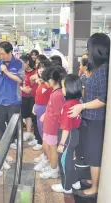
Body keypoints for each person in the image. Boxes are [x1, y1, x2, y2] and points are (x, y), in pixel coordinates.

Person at [68, 33, 110, 198]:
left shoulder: (104, 70)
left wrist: (82, 106)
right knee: (90, 151)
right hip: (90, 117)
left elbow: (103, 99)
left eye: (89, 47)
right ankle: (94, 181)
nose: (87, 50)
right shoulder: (97, 68)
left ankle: (94, 189)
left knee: (94, 154)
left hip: (96, 119)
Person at [0, 41, 24, 175]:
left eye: (3, 54)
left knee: (12, 128)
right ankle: (2, 156)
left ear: (10, 52)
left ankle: (9, 149)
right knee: (0, 127)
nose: (0, 56)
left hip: (14, 101)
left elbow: (20, 80)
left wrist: (6, 71)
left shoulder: (19, 63)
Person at [51, 74, 82, 194]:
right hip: (74, 134)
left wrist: (61, 144)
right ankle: (75, 182)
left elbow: (66, 127)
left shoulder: (68, 105)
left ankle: (66, 187)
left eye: (63, 86)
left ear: (70, 88)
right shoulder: (75, 102)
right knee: (69, 160)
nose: (61, 89)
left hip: (67, 136)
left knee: (64, 162)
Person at [38, 65, 67, 179]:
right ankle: (52, 165)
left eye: (46, 80)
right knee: (47, 146)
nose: (45, 82)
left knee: (52, 148)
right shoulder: (55, 92)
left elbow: (58, 114)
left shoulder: (57, 94)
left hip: (53, 128)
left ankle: (54, 169)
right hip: (49, 126)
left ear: (52, 80)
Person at [32, 59, 53, 170]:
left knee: (47, 138)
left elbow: (52, 101)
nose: (40, 69)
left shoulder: (50, 83)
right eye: (39, 67)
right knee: (42, 135)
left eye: (43, 67)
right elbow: (38, 96)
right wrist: (35, 105)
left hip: (46, 112)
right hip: (39, 109)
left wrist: (46, 113)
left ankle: (48, 160)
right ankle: (45, 156)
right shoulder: (41, 81)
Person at [19, 55, 38, 143]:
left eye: (23, 63)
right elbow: (17, 83)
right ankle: (28, 132)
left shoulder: (36, 71)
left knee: (33, 115)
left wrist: (30, 88)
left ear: (27, 62)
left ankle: (36, 136)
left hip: (34, 97)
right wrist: (23, 89)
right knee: (26, 115)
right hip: (24, 96)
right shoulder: (21, 72)